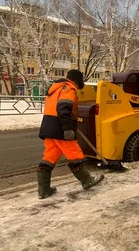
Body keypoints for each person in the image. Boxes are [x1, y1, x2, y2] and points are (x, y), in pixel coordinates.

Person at [36, 69, 104, 199]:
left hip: (48, 126)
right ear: (77, 80)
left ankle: (43, 190)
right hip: (60, 127)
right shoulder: (69, 89)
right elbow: (63, 108)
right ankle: (87, 181)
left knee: (49, 157)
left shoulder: (56, 88)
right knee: (75, 154)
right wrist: (67, 129)